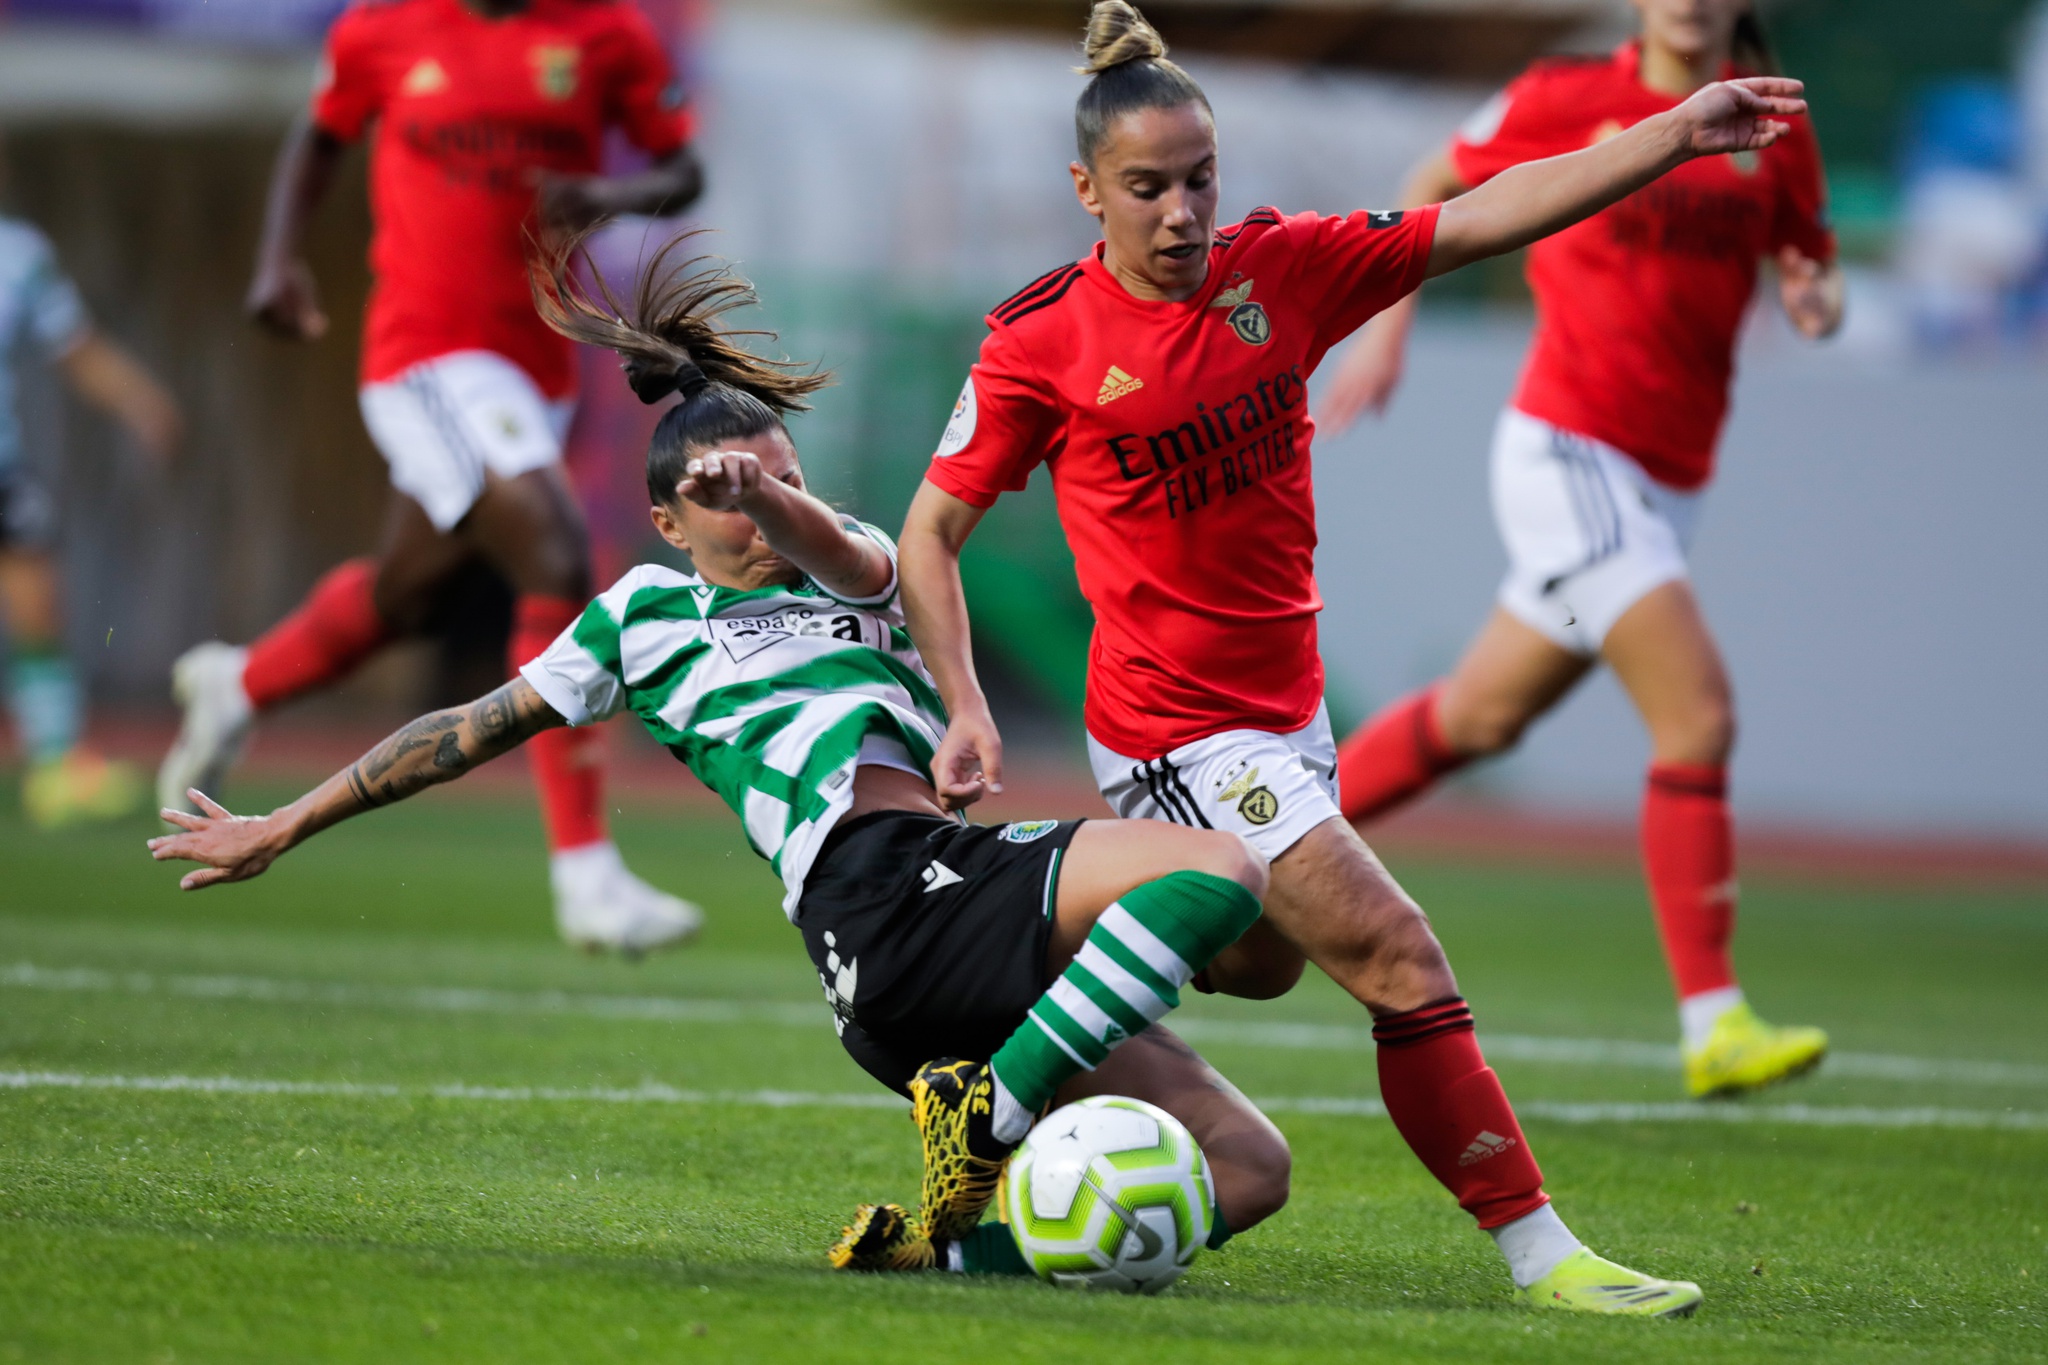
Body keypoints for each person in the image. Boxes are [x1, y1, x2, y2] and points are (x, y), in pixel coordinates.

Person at [895, 0, 1814, 1316]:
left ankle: (1027, 969)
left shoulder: (1286, 273)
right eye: (1146, 188)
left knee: (1258, 964)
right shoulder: (1040, 343)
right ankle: (1548, 1258)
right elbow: (930, 532)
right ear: (1085, 190)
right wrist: (968, 707)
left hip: (1285, 724)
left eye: (1199, 180)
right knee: (1397, 954)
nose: (1180, 213)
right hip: (1173, 733)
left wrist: (1672, 133)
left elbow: (1491, 211)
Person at [148, 233, 1293, 1280]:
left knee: (1248, 1170)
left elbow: (833, 543)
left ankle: (943, 1259)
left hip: (934, 925)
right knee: (1219, 870)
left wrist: (770, 500)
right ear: (666, 523)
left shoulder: (862, 573)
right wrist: (281, 823)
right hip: (877, 901)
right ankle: (991, 1120)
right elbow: (455, 736)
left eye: (784, 479)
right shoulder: (637, 617)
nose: (767, 508)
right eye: (729, 497)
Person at [1320, 0, 1836, 1099]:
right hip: (1568, 453)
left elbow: (1809, 258)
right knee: (1696, 714)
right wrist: (1387, 324)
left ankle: (1263, 832)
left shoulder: (1772, 125)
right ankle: (1713, 1020)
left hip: (1666, 482)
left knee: (1478, 718)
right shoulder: (1566, 98)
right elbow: (1429, 179)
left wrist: (1812, 295)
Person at [156, 0, 708, 953]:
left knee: (409, 594)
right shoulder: (382, 28)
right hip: (425, 356)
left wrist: (604, 194)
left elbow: (684, 169)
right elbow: (321, 136)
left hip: (538, 364)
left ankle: (240, 683)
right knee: (556, 553)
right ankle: (587, 876)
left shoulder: (607, 32)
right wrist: (279, 260)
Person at [0, 212, 182, 828]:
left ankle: (54, 767)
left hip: (2, 464)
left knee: (39, 609)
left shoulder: (19, 253)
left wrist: (140, 401)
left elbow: (77, 347)